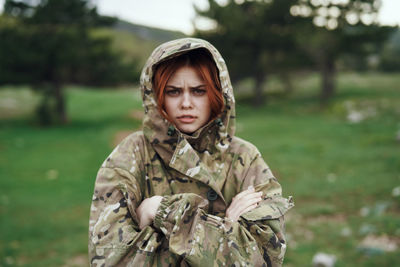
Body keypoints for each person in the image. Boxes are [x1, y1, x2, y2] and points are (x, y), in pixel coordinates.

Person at [88, 38, 293, 266]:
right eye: (174, 92)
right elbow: (111, 261)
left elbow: (266, 259)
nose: (186, 103)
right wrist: (226, 229)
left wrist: (162, 212)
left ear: (217, 94)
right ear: (156, 96)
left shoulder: (244, 158)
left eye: (198, 91)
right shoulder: (131, 156)